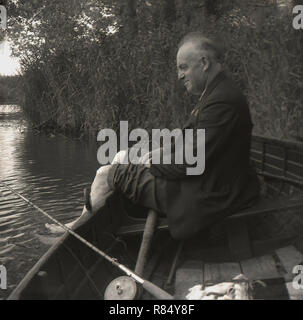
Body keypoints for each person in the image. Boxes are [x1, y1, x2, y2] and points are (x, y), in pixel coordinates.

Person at [50, 33, 260, 239]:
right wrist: (157, 151)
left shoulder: (221, 100)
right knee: (124, 156)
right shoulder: (218, 91)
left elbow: (191, 162)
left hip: (210, 192)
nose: (179, 76)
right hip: (211, 180)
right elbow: (192, 142)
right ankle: (83, 223)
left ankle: (77, 230)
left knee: (107, 174)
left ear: (204, 62)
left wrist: (151, 163)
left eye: (183, 67)